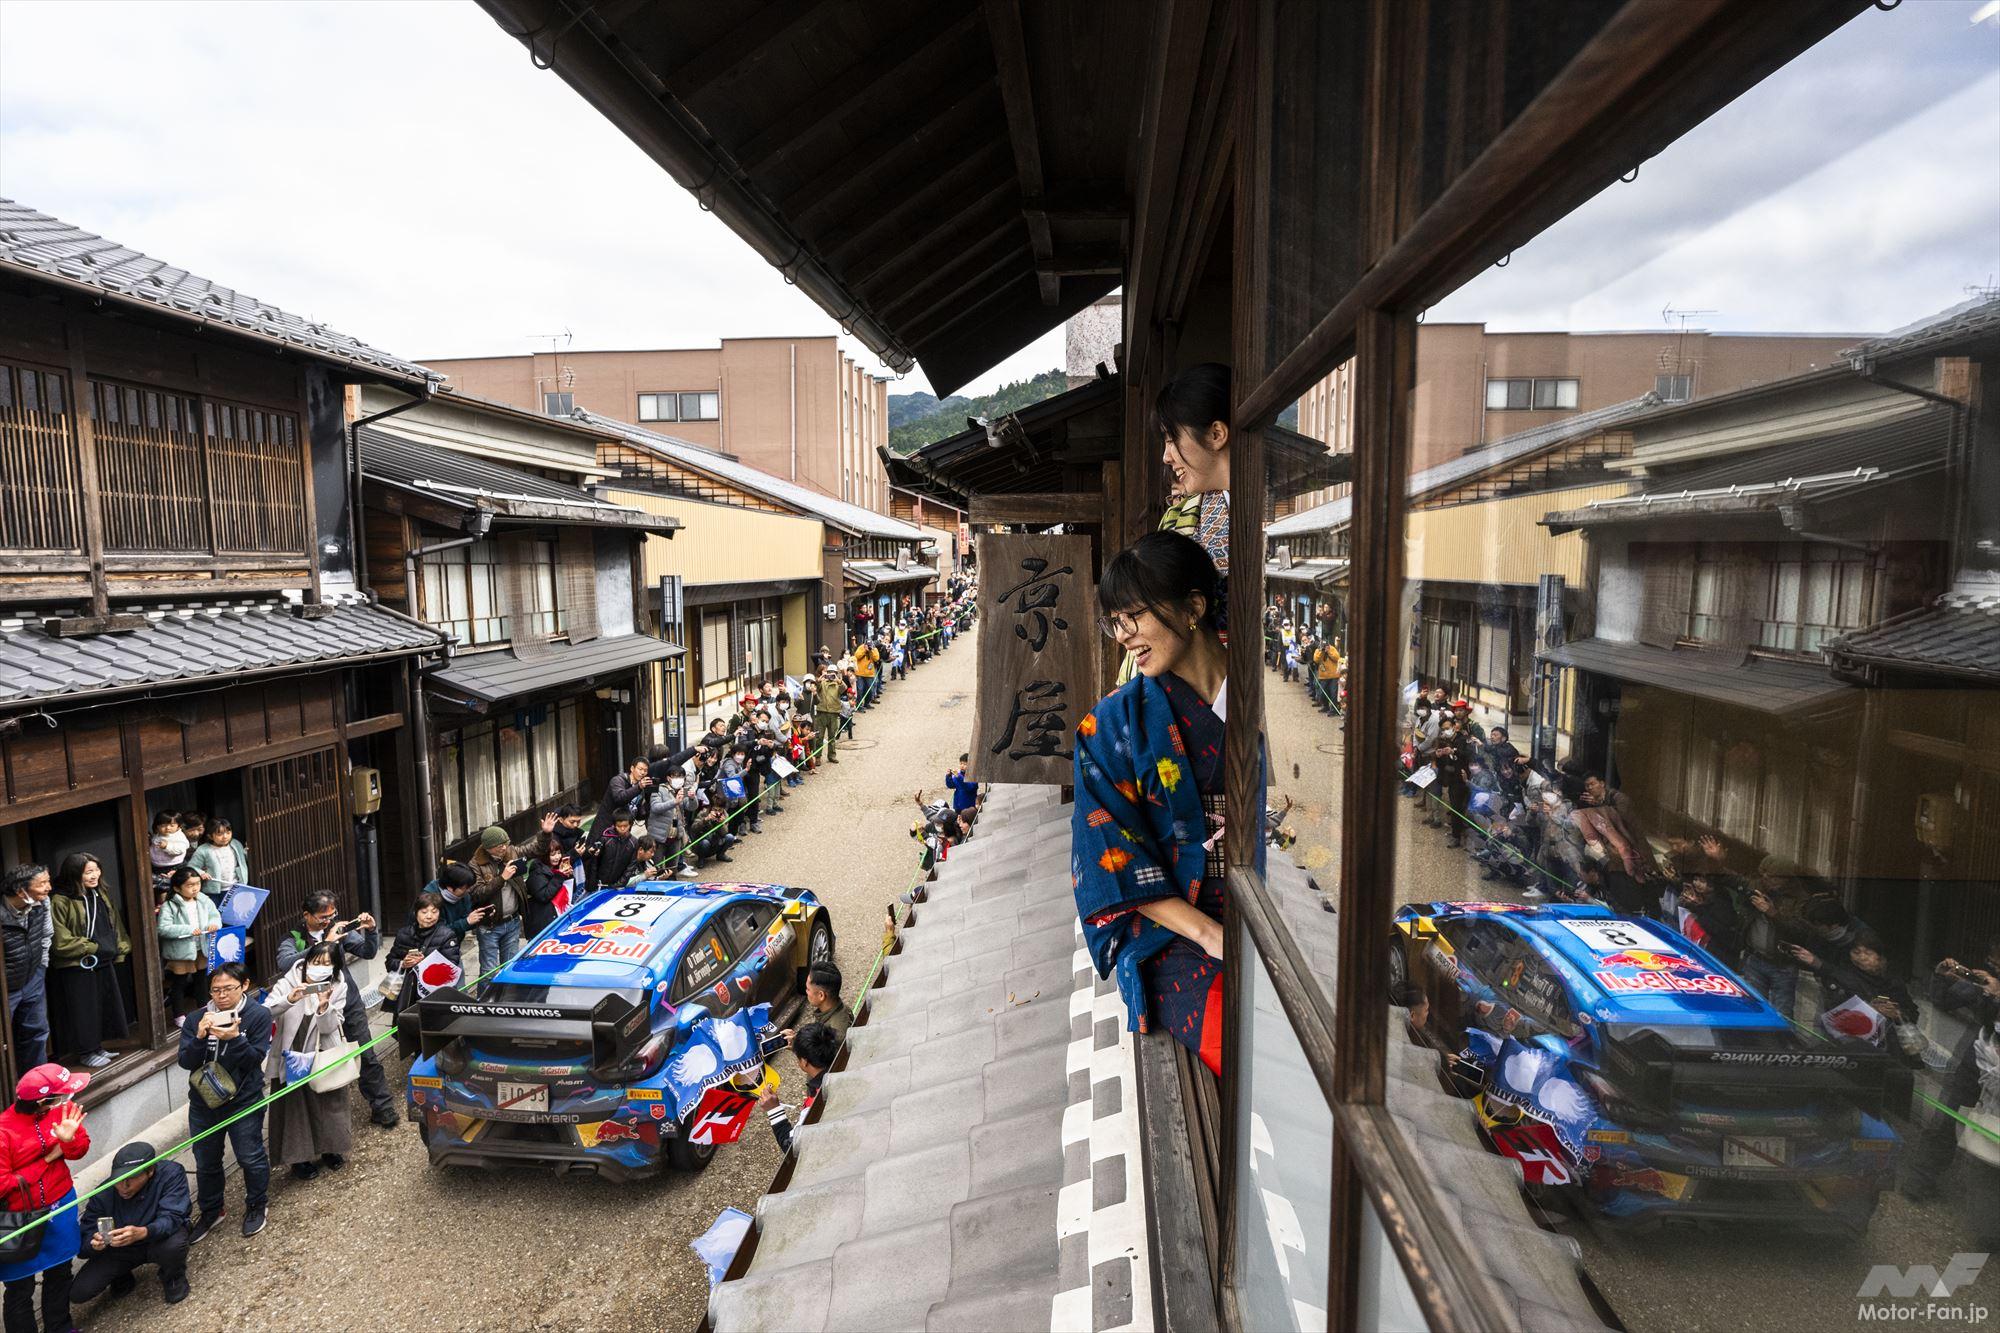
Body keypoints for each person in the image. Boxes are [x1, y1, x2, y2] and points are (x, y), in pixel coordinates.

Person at [1072, 531, 1240, 1078]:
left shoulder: (1265, 697)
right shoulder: (1109, 726)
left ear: (1193, 607)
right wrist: (1210, 934)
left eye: (1134, 617)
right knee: (1242, 1042)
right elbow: (1112, 857)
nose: (1124, 636)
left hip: (1265, 904)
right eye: (1114, 622)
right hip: (1179, 927)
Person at [275, 893, 398, 1130]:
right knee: (320, 1060)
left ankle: (382, 1106)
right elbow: (285, 964)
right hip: (311, 1010)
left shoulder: (337, 928)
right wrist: (326, 945)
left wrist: (372, 931)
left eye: (332, 915)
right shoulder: (293, 938)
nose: (328, 921)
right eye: (323, 917)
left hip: (347, 1002)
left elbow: (368, 952)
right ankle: (324, 1121)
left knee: (366, 1053)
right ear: (307, 915)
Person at [178, 963, 270, 1242]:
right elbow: (185, 1061)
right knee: (206, 1161)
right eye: (215, 990)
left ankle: (257, 1205)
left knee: (249, 1156)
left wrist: (235, 1038)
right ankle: (211, 1211)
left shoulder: (258, 1015)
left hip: (244, 1099)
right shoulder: (197, 1018)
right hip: (203, 1102)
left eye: (228, 989)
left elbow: (255, 1059)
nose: (221, 995)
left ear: (244, 985)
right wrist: (199, 1037)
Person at [0, 1065, 89, 1333]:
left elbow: (80, 1149)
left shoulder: (63, 1112)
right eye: (60, 1095)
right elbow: (2, 1184)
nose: (66, 1099)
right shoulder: (3, 1130)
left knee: (60, 1271)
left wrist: (69, 1141)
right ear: (42, 1101)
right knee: (20, 1287)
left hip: (60, 1203)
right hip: (17, 1219)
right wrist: (47, 1160)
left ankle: (60, 1327)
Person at [264, 941, 353, 1181]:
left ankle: (331, 1149)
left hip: (323, 1051)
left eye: (327, 963)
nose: (320, 967)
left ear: (335, 967)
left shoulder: (339, 985)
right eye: (316, 962)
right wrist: (290, 999)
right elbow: (266, 1011)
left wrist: (324, 1007)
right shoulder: (288, 981)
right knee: (295, 1106)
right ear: (306, 962)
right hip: (292, 1052)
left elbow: (332, 1026)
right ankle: (299, 1159)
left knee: (329, 1101)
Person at [71, 1140, 191, 1307]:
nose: (123, 1186)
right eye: (118, 1179)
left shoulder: (171, 1173)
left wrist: (144, 1232)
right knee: (79, 1292)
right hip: (121, 1250)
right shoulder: (102, 1194)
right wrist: (95, 1244)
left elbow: (173, 1216)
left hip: (156, 1239)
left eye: (132, 1178)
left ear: (150, 1171)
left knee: (174, 1244)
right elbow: (84, 1241)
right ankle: (121, 1276)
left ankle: (173, 1277)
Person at [47, 852, 130, 1069]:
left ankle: (97, 1046)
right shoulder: (60, 900)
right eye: (88, 872)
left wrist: (120, 948)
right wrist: (92, 947)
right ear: (74, 874)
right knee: (82, 1008)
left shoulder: (98, 892)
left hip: (102, 959)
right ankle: (86, 1052)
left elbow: (114, 923)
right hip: (77, 963)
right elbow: (59, 940)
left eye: (96, 870)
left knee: (101, 1005)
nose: (95, 875)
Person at [756, 1022, 838, 1153]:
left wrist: (774, 1109)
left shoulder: (816, 1103)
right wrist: (800, 1048)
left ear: (804, 1062)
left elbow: (790, 1146)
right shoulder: (841, 1063)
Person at [1, 866, 51, 1072]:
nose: (48, 887)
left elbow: (46, 935)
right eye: (42, 883)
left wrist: (41, 967)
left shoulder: (42, 903)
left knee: (37, 1032)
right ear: (21, 891)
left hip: (32, 977)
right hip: (6, 987)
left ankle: (37, 1083)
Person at [155, 867, 220, 1019]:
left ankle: (204, 1008)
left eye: (197, 884)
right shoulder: (170, 905)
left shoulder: (204, 900)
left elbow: (215, 916)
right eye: (190, 885)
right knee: (179, 983)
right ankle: (179, 1015)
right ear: (177, 888)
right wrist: (188, 930)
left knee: (202, 980)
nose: (195, 888)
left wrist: (214, 924)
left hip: (201, 947)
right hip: (181, 951)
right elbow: (163, 929)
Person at [389, 891, 464, 1013]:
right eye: (424, 912)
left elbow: (451, 968)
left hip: (434, 994)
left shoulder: (447, 935)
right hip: (407, 994)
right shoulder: (403, 934)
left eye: (434, 912)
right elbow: (390, 962)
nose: (429, 916)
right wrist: (403, 964)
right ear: (415, 913)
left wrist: (424, 963)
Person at [466, 828, 526, 979]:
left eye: (506, 843)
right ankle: (486, 995)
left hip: (512, 922)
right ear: (488, 847)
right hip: (489, 926)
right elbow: (477, 893)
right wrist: (502, 878)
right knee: (489, 972)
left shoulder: (511, 852)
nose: (504, 848)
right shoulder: (475, 864)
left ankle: (507, 994)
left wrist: (545, 834)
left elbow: (534, 849)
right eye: (500, 846)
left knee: (509, 969)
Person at [778, 964, 852, 1045]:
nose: (806, 992)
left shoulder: (834, 1035)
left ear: (821, 995)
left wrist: (796, 1047)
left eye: (808, 989)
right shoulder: (839, 1009)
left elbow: (820, 1052)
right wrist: (798, 1039)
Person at [184, 819, 249, 903]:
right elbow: (192, 866)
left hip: (236, 886)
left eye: (228, 833)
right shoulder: (203, 849)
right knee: (215, 910)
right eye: (220, 834)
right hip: (213, 891)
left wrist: (247, 852)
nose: (225, 836)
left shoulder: (236, 844)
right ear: (210, 836)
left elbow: (242, 859)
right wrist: (201, 873)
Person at [813, 669, 845, 764]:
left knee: (832, 736)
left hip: (834, 713)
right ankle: (817, 757)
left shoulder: (837, 684)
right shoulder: (822, 683)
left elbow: (844, 689)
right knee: (819, 737)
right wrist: (819, 680)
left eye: (833, 674)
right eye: (829, 673)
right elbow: (815, 688)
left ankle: (832, 755)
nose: (830, 676)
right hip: (821, 712)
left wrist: (839, 681)